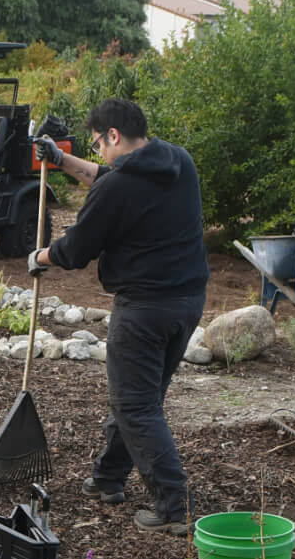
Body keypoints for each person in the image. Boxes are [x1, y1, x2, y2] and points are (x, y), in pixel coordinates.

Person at [30, 98, 208, 536]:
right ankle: (109, 478)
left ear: (113, 135)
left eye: (97, 144)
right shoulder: (177, 161)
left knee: (136, 405)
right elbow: (107, 176)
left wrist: (40, 255)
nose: (97, 156)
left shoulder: (117, 188)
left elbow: (74, 251)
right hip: (187, 301)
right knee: (139, 399)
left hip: (144, 308)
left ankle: (172, 505)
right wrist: (61, 159)